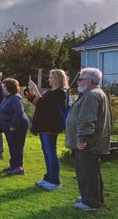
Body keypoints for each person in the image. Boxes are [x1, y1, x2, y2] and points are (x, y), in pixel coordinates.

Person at [65, 68, 111, 211]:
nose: (78, 81)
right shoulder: (92, 93)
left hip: (89, 143)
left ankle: (90, 202)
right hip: (92, 141)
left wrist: (82, 139)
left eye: (81, 79)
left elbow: (87, 120)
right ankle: (92, 197)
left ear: (90, 81)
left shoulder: (92, 95)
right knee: (92, 171)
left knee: (87, 171)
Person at [27, 69, 69, 190]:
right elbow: (39, 103)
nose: (49, 79)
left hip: (51, 127)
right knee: (46, 151)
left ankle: (55, 181)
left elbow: (43, 103)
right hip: (43, 126)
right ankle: (48, 178)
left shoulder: (61, 92)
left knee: (51, 152)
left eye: (51, 77)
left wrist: (35, 87)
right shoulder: (51, 92)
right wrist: (30, 91)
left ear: (57, 79)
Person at [0, 78, 30, 175]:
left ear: (9, 87)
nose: (3, 87)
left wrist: (13, 125)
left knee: (17, 146)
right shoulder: (8, 97)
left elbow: (19, 112)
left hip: (18, 125)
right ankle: (13, 165)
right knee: (12, 146)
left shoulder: (15, 98)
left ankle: (18, 167)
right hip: (9, 125)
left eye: (4, 86)